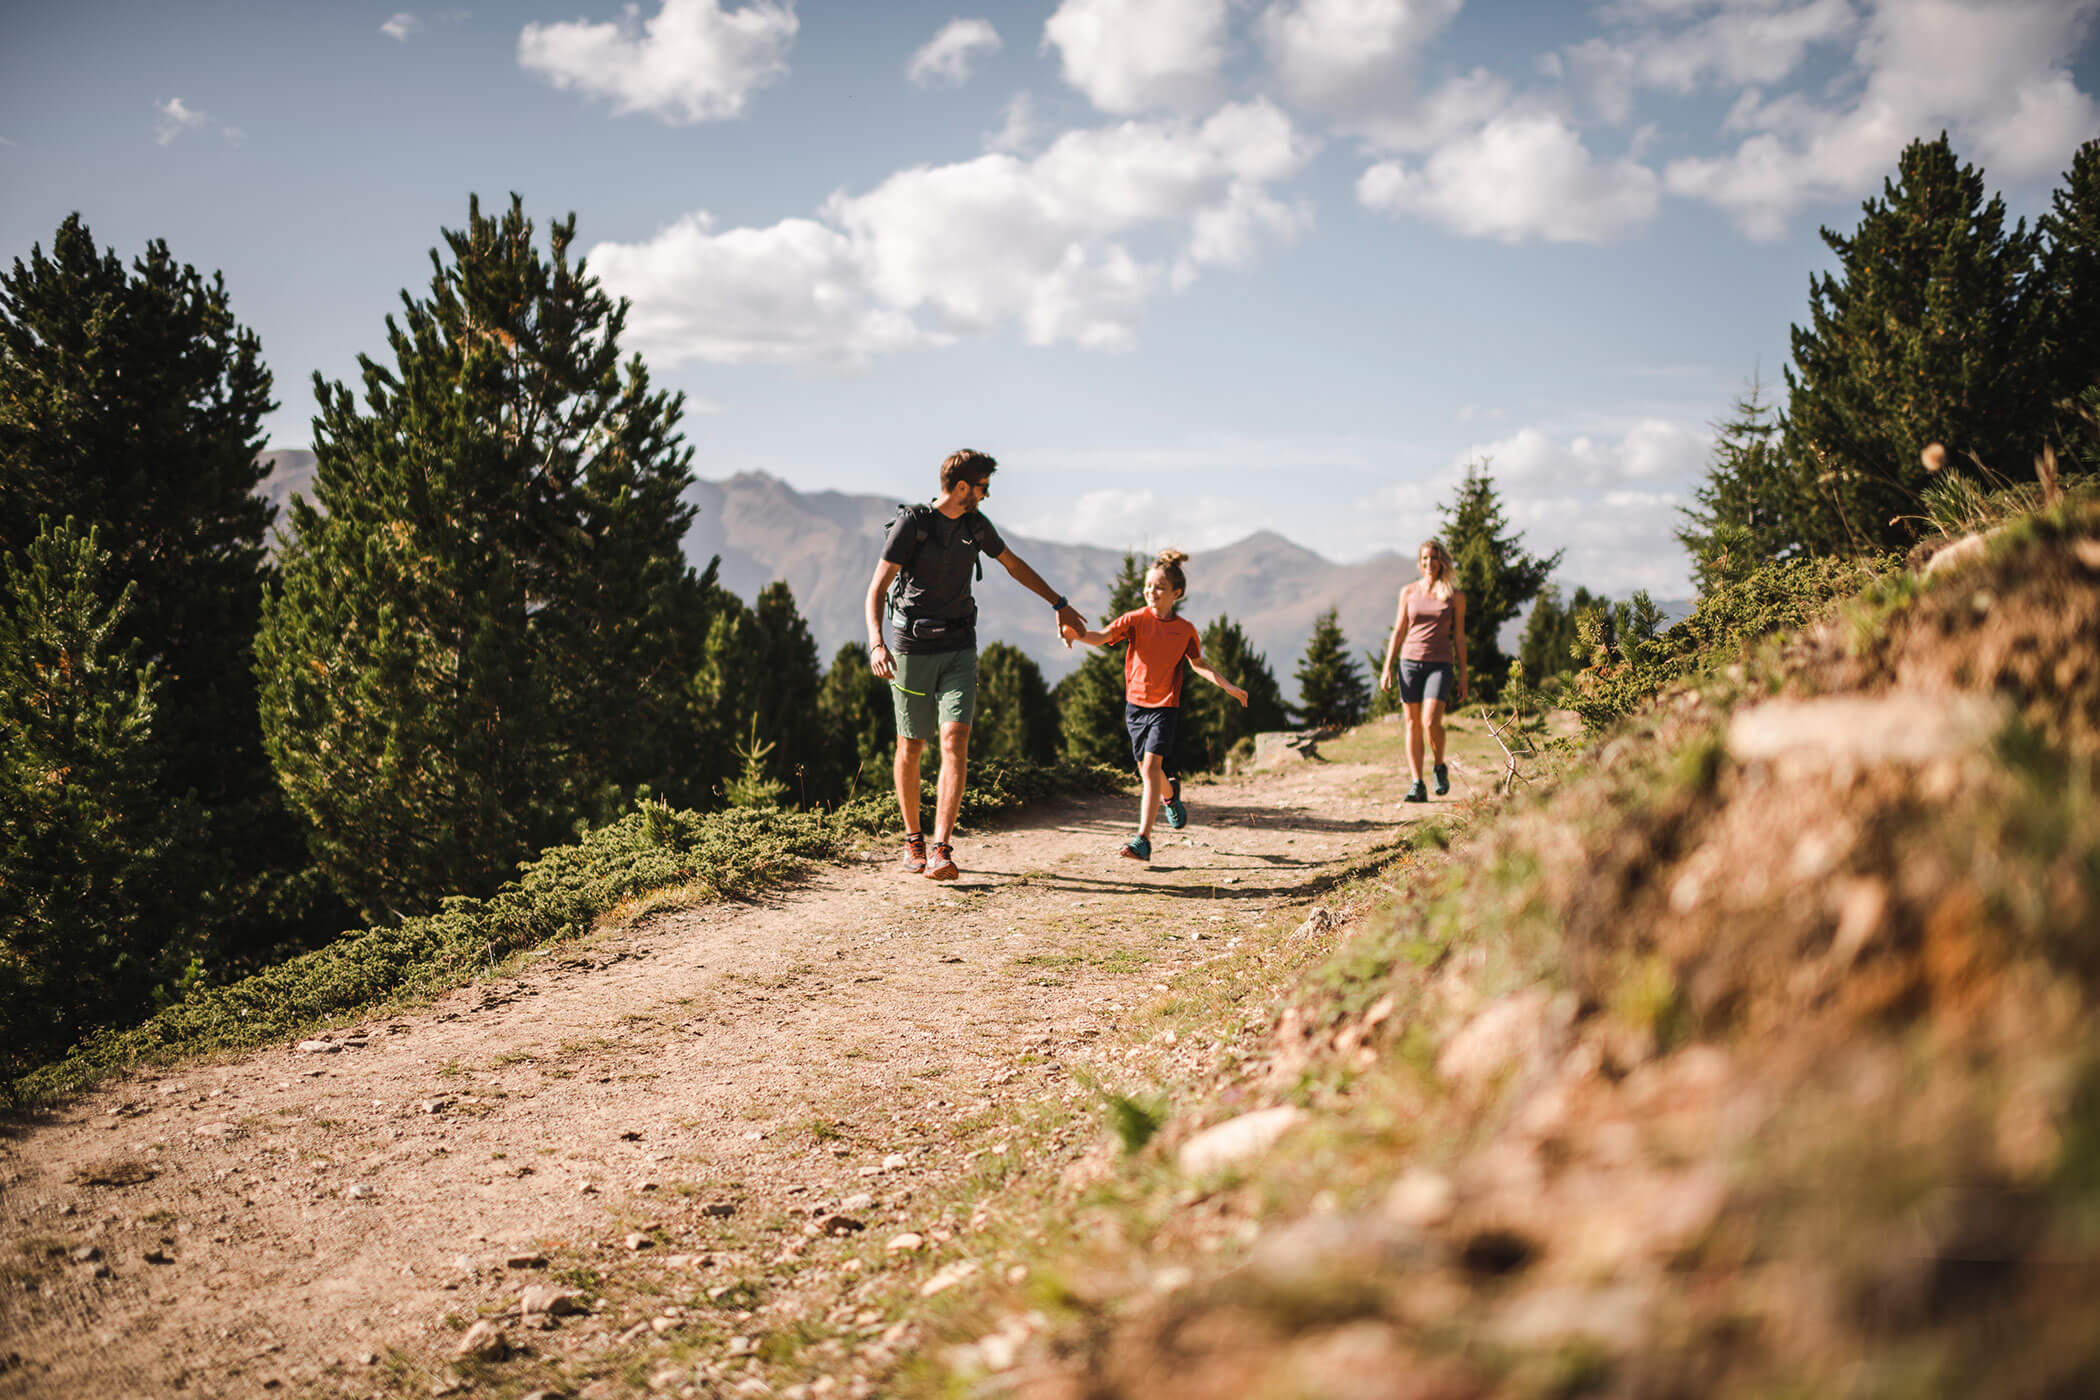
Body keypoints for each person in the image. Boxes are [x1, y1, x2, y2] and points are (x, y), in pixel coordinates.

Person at [866, 449, 1087, 881]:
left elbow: (1013, 565)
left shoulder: (975, 525)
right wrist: (876, 643)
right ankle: (913, 840)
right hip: (910, 649)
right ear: (963, 486)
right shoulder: (915, 524)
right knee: (911, 746)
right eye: (983, 487)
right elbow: (876, 589)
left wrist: (1058, 603)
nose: (986, 495)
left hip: (960, 648)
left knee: (955, 741)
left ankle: (941, 849)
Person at [1062, 549, 1247, 862]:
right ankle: (1171, 796)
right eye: (1148, 586)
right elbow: (1102, 636)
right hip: (1135, 706)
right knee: (1148, 770)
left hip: (1165, 706)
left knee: (1149, 767)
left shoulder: (1185, 629)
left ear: (1176, 593)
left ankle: (1142, 840)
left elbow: (1198, 663)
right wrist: (1076, 635)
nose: (1151, 591)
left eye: (1159, 587)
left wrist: (1227, 685)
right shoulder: (1135, 619)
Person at [1378, 538, 1467, 802]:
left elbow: (1459, 638)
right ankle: (1417, 783)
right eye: (1425, 558)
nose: (1429, 563)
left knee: (1430, 721)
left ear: (1442, 562)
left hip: (1440, 664)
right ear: (1420, 562)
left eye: (1434, 558)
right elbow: (1399, 631)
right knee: (1412, 723)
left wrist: (1464, 673)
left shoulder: (1455, 596)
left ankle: (1439, 765)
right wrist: (1387, 667)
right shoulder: (1408, 592)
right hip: (1409, 663)